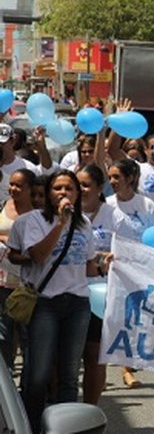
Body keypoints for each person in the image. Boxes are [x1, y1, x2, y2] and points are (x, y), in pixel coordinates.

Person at [15, 170, 97, 433]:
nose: (63, 193)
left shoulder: (84, 222)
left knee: (70, 375)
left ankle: (67, 428)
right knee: (38, 376)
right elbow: (38, 256)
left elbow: (88, 266)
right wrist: (61, 223)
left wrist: (107, 263)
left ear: (77, 194)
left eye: (69, 189)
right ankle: (31, 426)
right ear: (49, 193)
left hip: (77, 304)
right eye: (58, 189)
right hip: (46, 304)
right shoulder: (35, 221)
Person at [105, 158, 154, 387]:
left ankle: (133, 360)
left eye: (117, 177)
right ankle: (126, 369)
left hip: (142, 270)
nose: (112, 181)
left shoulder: (147, 205)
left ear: (130, 178)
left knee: (139, 320)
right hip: (115, 270)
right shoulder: (107, 205)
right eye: (110, 177)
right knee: (119, 318)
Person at [76, 163, 115, 405]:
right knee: (64, 359)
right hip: (68, 291)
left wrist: (102, 259)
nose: (80, 190)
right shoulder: (65, 214)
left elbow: (125, 253)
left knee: (94, 356)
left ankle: (90, 412)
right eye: (76, 185)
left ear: (100, 188)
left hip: (101, 296)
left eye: (86, 185)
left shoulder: (114, 215)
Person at [0, 169, 35, 369]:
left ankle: (28, 389)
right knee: (3, 337)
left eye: (19, 185)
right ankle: (6, 387)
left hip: (25, 285)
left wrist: (8, 240)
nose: (13, 189)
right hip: (2, 281)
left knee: (26, 337)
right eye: (11, 184)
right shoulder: (3, 206)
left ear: (30, 189)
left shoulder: (37, 215)